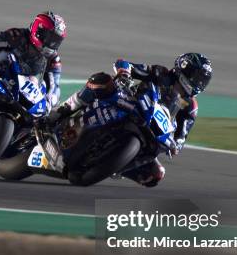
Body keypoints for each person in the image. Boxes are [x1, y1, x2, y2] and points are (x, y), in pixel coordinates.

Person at [49, 52, 212, 187]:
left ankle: (115, 167)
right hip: (130, 103)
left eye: (203, 80)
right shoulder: (160, 73)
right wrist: (124, 73)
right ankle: (61, 111)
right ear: (185, 68)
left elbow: (181, 138)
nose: (199, 83)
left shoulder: (190, 107)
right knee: (102, 81)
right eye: (197, 77)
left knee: (155, 175)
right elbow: (126, 64)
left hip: (153, 131)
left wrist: (175, 146)